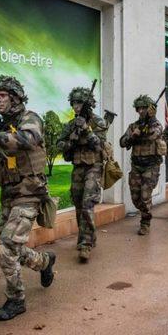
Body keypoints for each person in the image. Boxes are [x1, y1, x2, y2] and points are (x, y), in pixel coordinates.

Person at [0, 75, 56, 321]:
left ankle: (16, 300)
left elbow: (27, 139)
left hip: (29, 193)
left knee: (8, 246)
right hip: (9, 193)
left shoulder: (30, 118)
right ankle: (44, 262)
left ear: (15, 97)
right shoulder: (2, 124)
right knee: (10, 244)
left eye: (2, 96)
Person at [57, 87, 108, 262]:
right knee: (78, 204)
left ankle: (85, 244)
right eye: (74, 103)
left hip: (94, 166)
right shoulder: (71, 124)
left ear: (88, 104)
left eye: (80, 103)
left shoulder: (98, 122)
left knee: (87, 203)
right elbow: (60, 145)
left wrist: (86, 129)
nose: (76, 107)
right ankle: (87, 236)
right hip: (78, 167)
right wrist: (71, 139)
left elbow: (99, 146)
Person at [120, 95, 166, 235]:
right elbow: (122, 142)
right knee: (135, 198)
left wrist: (149, 122)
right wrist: (133, 136)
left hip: (151, 166)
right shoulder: (133, 126)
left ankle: (145, 222)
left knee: (145, 196)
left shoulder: (156, 125)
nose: (140, 111)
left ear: (150, 109)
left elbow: (153, 135)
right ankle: (146, 212)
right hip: (136, 166)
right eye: (138, 108)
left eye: (144, 108)